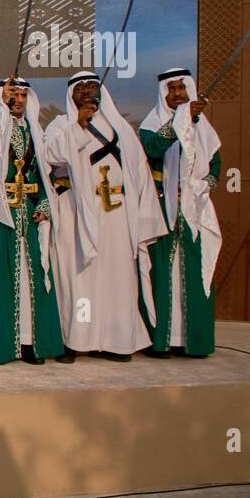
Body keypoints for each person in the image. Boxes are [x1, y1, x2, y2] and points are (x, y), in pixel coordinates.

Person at [44, 71, 165, 362]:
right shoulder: (61, 125)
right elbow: (50, 156)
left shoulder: (120, 128)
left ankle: (116, 340)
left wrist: (144, 216)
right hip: (78, 211)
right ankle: (78, 339)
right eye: (80, 88)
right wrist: (79, 127)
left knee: (117, 279)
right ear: (71, 94)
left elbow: (139, 171)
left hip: (117, 214)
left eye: (91, 86)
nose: (86, 91)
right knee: (81, 280)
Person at [0, 78, 64, 365]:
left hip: (31, 213)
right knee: (3, 278)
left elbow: (44, 174)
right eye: (14, 94)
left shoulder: (34, 129)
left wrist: (46, 204)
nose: (20, 99)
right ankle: (2, 345)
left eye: (24, 95)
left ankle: (31, 344)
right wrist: (0, 107)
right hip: (2, 212)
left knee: (33, 277)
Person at [139, 68, 222, 358]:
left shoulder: (204, 128)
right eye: (171, 89)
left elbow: (215, 166)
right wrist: (180, 121)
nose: (177, 94)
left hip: (193, 210)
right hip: (162, 208)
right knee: (161, 272)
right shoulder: (152, 124)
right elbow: (152, 149)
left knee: (197, 273)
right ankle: (161, 341)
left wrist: (201, 188)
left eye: (181, 89)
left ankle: (195, 341)